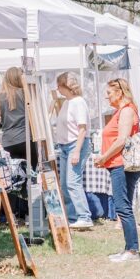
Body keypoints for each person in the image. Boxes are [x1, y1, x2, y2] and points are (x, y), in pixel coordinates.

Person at [95, 78, 140, 262]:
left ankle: (132, 250)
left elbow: (122, 139)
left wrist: (104, 157)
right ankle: (130, 248)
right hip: (117, 163)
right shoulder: (121, 111)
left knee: (122, 206)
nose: (107, 97)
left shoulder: (127, 111)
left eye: (109, 93)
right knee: (124, 205)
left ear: (119, 92)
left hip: (121, 164)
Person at [51, 71, 93, 230]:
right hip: (64, 146)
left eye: (59, 86)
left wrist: (76, 151)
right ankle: (72, 216)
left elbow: (82, 129)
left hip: (75, 145)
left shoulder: (78, 102)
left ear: (66, 86)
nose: (58, 89)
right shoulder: (67, 103)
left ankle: (84, 216)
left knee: (73, 182)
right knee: (65, 184)